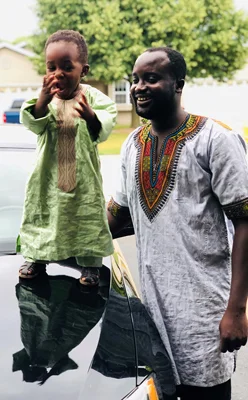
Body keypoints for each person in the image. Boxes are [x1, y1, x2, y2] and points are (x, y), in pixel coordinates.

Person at [107, 47, 248, 400]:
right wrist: (64, 236)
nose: (139, 87)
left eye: (151, 79)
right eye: (135, 79)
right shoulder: (131, 145)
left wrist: (237, 310)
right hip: (153, 311)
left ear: (178, 84)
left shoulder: (215, 140)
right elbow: (117, 214)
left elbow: (245, 222)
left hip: (204, 313)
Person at [17, 29, 117, 286]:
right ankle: (36, 258)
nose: (57, 73)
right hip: (47, 181)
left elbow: (105, 124)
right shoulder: (44, 99)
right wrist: (42, 100)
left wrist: (92, 117)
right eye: (51, 67)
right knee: (43, 217)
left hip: (83, 182)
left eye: (66, 66)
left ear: (83, 70)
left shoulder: (93, 98)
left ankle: (91, 265)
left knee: (86, 218)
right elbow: (33, 122)